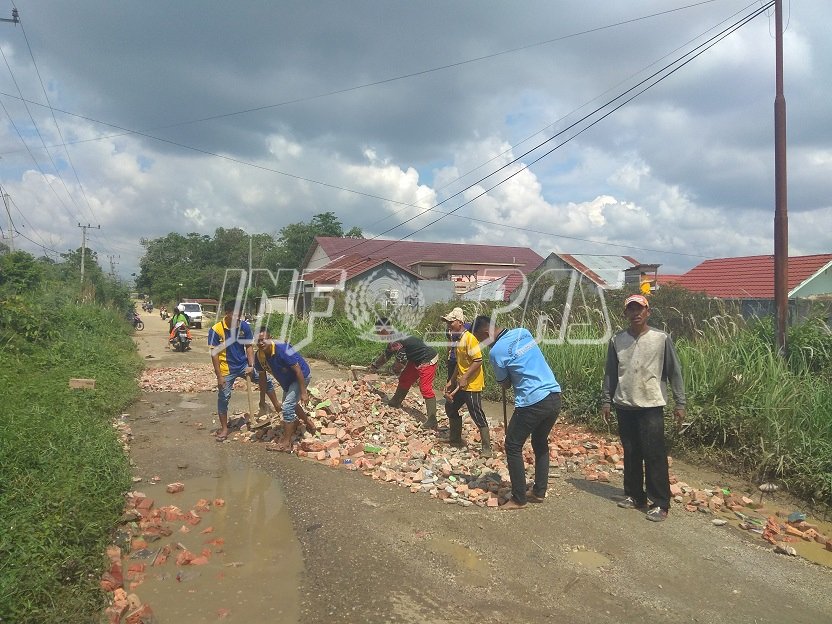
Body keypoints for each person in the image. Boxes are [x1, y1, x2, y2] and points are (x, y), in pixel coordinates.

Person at [601, 294, 686, 522]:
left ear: (648, 312)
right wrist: (606, 400)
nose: (636, 313)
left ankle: (660, 502)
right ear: (625, 314)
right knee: (631, 452)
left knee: (655, 455)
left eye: (640, 309)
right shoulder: (617, 340)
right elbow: (610, 372)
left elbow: (674, 371)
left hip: (651, 404)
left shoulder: (661, 338)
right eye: (631, 310)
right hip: (625, 403)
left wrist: (680, 402)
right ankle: (635, 495)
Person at [473, 315, 562, 510]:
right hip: (554, 396)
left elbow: (504, 383)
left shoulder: (496, 352)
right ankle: (539, 491)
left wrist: (501, 366)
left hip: (533, 401)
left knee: (512, 444)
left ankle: (519, 498)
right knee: (540, 442)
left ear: (485, 333)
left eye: (481, 340)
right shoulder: (523, 332)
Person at [369, 317, 439, 429]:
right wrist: (375, 366)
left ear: (383, 330)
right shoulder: (392, 340)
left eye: (378, 332)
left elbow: (401, 361)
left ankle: (432, 420)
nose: (378, 335)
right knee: (405, 378)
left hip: (427, 358)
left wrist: (393, 369)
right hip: (416, 359)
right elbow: (387, 355)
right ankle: (396, 401)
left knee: (425, 388)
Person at [208, 300, 261, 441]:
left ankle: (273, 408)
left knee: (265, 380)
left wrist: (251, 365)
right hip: (226, 368)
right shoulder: (216, 330)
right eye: (235, 314)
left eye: (240, 314)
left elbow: (249, 346)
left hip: (243, 365)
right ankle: (225, 428)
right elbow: (214, 354)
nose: (238, 317)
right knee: (224, 397)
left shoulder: (244, 327)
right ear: (227, 314)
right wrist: (219, 376)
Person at [254, 328, 315, 452]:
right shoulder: (259, 356)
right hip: (287, 380)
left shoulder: (282, 349)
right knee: (290, 404)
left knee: (287, 406)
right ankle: (308, 423)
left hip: (301, 376)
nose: (261, 343)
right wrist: (262, 399)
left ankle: (286, 443)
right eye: (258, 341)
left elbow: (298, 370)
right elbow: (262, 379)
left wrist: (303, 393)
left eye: (264, 340)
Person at [442, 307, 491, 457]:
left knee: (476, 413)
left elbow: (478, 360)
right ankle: (455, 439)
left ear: (459, 322)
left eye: (451, 322)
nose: (449, 325)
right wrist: (451, 380)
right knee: (450, 407)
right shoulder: (458, 339)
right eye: (448, 323)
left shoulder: (470, 338)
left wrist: (464, 377)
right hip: (461, 384)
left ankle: (487, 448)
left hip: (472, 385)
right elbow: (459, 363)